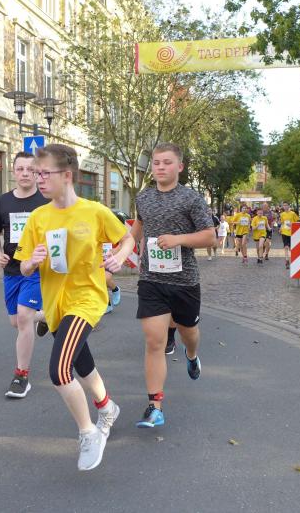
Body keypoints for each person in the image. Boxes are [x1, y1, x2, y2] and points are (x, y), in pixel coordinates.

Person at [15, 144, 134, 471]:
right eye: (36, 173)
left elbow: (127, 238)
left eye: (44, 173)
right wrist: (31, 262)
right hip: (56, 304)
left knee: (59, 369)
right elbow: (22, 266)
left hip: (87, 299)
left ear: (66, 175)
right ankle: (107, 407)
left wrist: (120, 256)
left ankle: (88, 432)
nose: (38, 179)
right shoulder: (38, 217)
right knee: (83, 364)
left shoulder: (94, 212)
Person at [131, 143, 215, 429]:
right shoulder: (143, 198)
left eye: (167, 162)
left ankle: (191, 355)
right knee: (154, 341)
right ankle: (155, 406)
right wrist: (122, 250)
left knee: (189, 333)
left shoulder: (191, 199)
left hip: (184, 282)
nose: (160, 167)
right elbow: (138, 229)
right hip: (151, 279)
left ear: (179, 167)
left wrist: (178, 239)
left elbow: (210, 237)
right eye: (156, 163)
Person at [0, 151, 48, 399]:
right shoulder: (3, 202)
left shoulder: (45, 201)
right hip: (12, 269)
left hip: (38, 270)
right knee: (17, 321)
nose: (25, 173)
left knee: (23, 317)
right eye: (20, 169)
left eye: (30, 169)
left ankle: (21, 376)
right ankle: (48, 316)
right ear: (13, 171)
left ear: (37, 172)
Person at [278, 202, 299, 269]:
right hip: (284, 232)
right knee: (286, 247)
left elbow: (297, 222)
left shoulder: (293, 213)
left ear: (289, 206)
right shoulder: (282, 214)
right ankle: (287, 261)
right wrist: (280, 229)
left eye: (286, 205)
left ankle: (294, 260)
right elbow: (282, 223)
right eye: (284, 205)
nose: (285, 206)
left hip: (292, 232)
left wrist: (292, 224)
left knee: (291, 248)